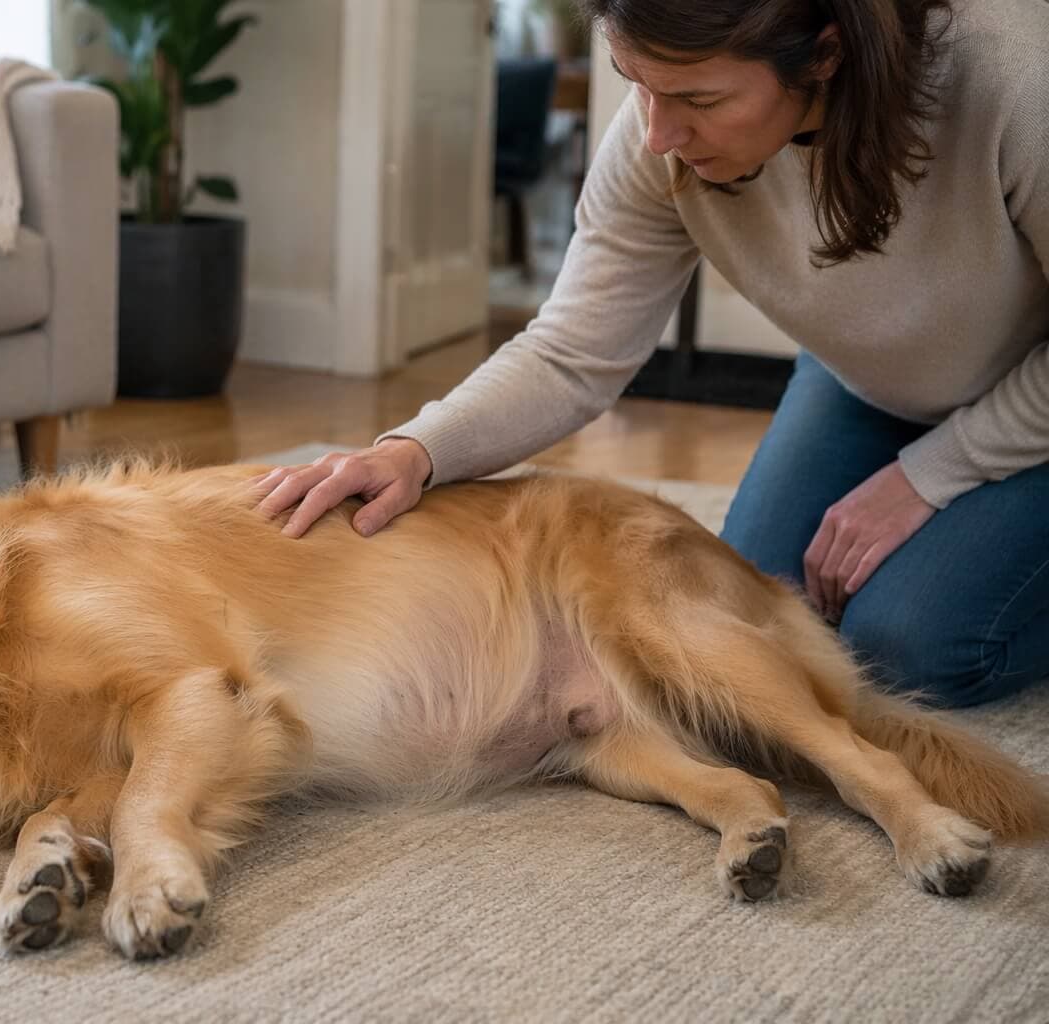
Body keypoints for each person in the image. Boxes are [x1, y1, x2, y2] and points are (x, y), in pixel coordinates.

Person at [252, 0, 1049, 709]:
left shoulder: (1016, 80)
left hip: (1033, 396)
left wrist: (931, 474)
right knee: (740, 619)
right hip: (871, 383)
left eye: (700, 100)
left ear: (826, 54)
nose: (660, 136)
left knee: (914, 645)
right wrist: (417, 451)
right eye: (638, 83)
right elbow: (572, 351)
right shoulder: (656, 134)